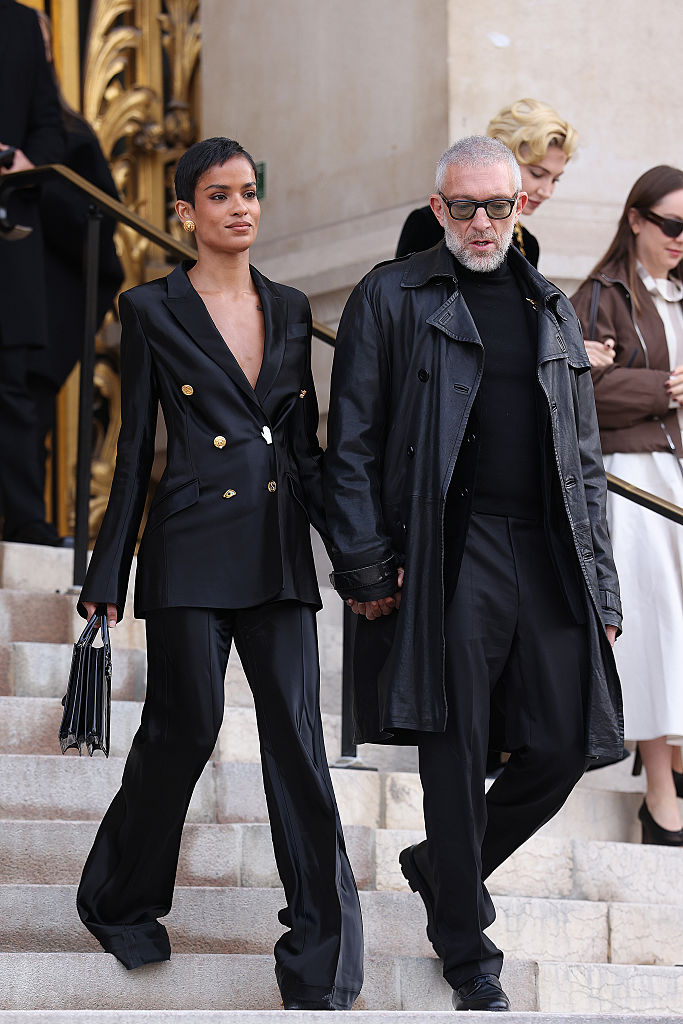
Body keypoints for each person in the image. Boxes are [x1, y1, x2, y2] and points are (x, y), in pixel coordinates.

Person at [324, 135, 622, 1012]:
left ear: (519, 207)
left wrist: (600, 588)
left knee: (566, 744)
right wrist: (366, 561)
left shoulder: (552, 308)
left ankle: (440, 869)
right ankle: (465, 944)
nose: (483, 223)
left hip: (548, 550)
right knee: (453, 748)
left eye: (499, 206)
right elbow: (352, 444)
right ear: (437, 205)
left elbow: (584, 459)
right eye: (465, 207)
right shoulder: (392, 293)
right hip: (448, 548)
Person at [76, 137, 363, 1010]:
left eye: (248, 193)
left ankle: (322, 953)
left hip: (276, 550)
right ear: (184, 212)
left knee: (299, 749)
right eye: (219, 195)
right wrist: (106, 572)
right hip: (191, 545)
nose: (239, 208)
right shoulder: (150, 308)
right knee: (185, 727)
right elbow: (133, 455)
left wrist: (356, 558)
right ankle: (119, 897)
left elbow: (307, 454)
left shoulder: (287, 308)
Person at [572, 165, 683, 846]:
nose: (680, 239)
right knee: (653, 622)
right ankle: (659, 788)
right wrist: (663, 389)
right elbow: (581, 394)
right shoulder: (599, 295)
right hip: (631, 476)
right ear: (636, 218)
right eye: (670, 224)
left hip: (674, 472)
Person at [30, 11, 124, 496]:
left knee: (23, 414)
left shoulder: (71, 138)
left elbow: (98, 229)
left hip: (40, 312)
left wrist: (28, 185)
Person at [0, 0, 66, 545]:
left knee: (10, 386)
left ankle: (25, 519)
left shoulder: (20, 22)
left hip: (8, 233)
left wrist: (25, 164)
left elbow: (50, 126)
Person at [395, 97, 577, 267]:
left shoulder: (528, 244)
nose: (547, 191)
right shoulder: (426, 224)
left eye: (555, 179)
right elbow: (404, 296)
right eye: (537, 174)